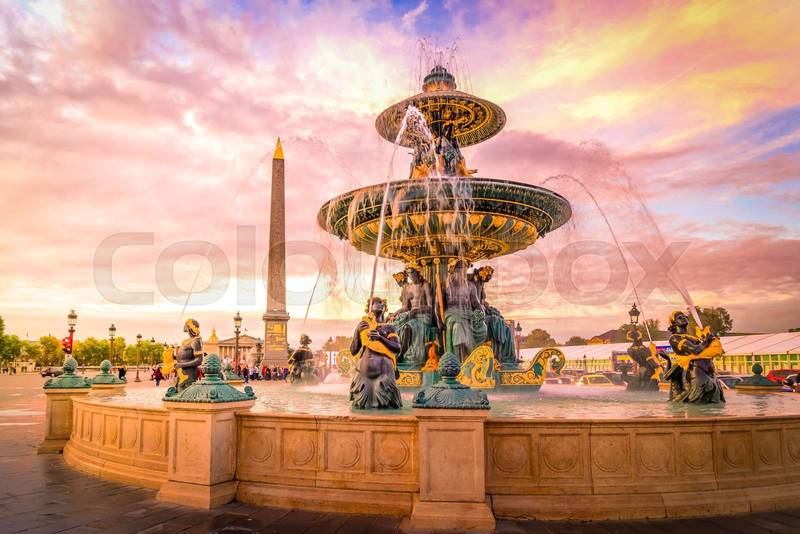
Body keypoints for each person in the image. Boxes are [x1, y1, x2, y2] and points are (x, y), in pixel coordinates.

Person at [349, 297, 402, 409]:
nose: (379, 304)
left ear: (385, 308)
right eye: (375, 302)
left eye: (382, 303)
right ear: (369, 307)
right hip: (364, 375)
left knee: (385, 407)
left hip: (385, 374)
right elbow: (353, 351)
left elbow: (397, 348)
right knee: (362, 408)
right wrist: (356, 332)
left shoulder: (389, 328)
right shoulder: (363, 326)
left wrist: (380, 338)